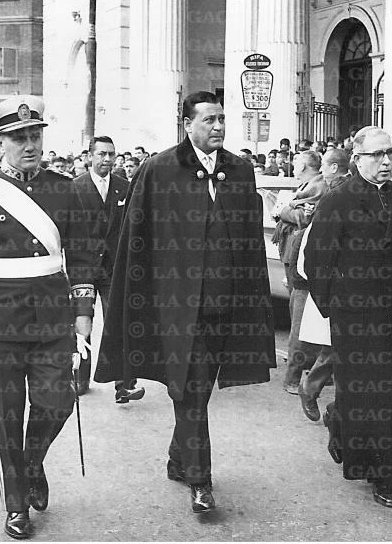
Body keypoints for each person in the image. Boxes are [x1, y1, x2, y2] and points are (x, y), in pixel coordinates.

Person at [95, 91, 275, 515]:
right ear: (187, 125)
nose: (218, 127)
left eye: (222, 120)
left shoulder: (240, 170)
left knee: (199, 391)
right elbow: (136, 241)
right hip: (178, 311)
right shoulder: (159, 169)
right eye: (209, 120)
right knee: (190, 391)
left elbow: (249, 241)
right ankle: (201, 479)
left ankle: (179, 458)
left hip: (225, 307)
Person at [0, 95, 97, 539]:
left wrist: (83, 313)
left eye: (35, 136)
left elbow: (83, 256)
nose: (29, 145)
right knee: (7, 414)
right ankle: (16, 503)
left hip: (53, 317)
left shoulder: (66, 188)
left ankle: (32, 464)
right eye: (18, 138)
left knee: (58, 402)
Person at [305, 126, 392, 509]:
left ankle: (386, 454)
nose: (385, 161)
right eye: (376, 155)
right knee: (372, 392)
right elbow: (318, 259)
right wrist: (336, 307)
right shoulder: (338, 200)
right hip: (356, 317)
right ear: (357, 160)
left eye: (390, 153)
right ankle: (381, 472)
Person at [72, 136, 135, 400]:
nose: (107, 160)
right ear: (89, 157)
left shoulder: (124, 187)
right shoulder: (74, 187)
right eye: (101, 154)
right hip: (84, 270)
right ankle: (79, 379)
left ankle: (123, 384)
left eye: (111, 154)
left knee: (118, 324)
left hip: (113, 269)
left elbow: (132, 226)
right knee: (81, 324)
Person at [296, 147, 350, 420]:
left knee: (342, 351)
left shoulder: (340, 191)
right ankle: (316, 393)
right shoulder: (335, 195)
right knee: (338, 349)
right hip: (337, 285)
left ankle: (334, 406)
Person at [275, 151, 327, 395]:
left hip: (301, 256)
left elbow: (303, 217)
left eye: (296, 162)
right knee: (297, 313)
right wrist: (289, 208)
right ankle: (297, 371)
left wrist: (284, 208)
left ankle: (295, 375)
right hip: (294, 254)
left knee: (300, 318)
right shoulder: (307, 185)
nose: (292, 166)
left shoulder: (318, 186)